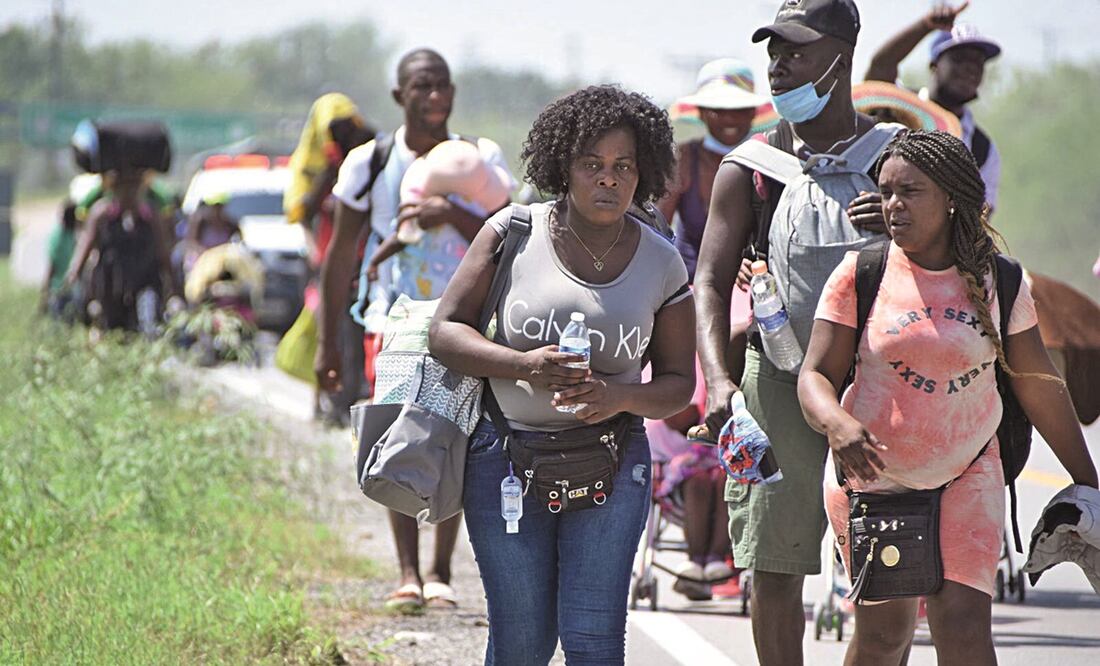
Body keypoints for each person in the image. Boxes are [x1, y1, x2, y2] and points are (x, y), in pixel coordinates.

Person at [798, 129, 1098, 665]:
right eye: (885, 191)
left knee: (963, 630)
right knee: (884, 637)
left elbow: (1039, 385)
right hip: (876, 478)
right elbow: (814, 375)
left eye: (909, 191)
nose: (892, 205)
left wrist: (1087, 480)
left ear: (952, 197)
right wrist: (836, 424)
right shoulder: (861, 273)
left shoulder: (999, 281)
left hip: (969, 472)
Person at [428, 84, 694, 665]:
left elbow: (678, 383)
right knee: (522, 642)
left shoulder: (662, 261)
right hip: (504, 458)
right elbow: (445, 332)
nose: (609, 179)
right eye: (592, 165)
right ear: (563, 168)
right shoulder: (511, 233)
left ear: (643, 172)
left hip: (612, 458)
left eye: (624, 166)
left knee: (593, 641)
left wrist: (616, 396)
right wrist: (525, 364)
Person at [694, 1, 894, 663]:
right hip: (775, 380)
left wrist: (901, 225)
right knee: (774, 567)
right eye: (773, 53)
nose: (779, 68)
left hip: (881, 389)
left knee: (888, 569)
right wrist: (720, 380)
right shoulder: (748, 166)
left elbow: (966, 260)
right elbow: (710, 283)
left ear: (842, 57)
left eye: (797, 52)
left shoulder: (898, 162)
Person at [316, 49, 513, 613]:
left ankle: (442, 569)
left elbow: (508, 233)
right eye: (422, 87)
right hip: (393, 318)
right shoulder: (370, 163)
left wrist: (450, 214)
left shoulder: (478, 160)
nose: (436, 97)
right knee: (395, 431)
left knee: (459, 435)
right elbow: (341, 254)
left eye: (443, 86)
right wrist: (329, 342)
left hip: (467, 323)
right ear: (400, 95)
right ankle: (407, 572)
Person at [285, 93, 375, 426]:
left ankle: (347, 404)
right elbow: (304, 211)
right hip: (328, 266)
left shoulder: (367, 168)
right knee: (328, 333)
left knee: (355, 338)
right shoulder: (327, 174)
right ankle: (326, 402)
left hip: (362, 267)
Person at [865, 1, 1003, 212]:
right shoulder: (898, 109)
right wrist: (925, 26)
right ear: (934, 65)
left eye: (978, 62)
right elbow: (879, 70)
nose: (970, 69)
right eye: (959, 59)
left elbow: (979, 219)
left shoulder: (981, 148)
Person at [659, 58, 767, 281]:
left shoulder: (769, 157)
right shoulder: (683, 159)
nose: (729, 118)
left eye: (738, 109)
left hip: (757, 288)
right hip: (690, 289)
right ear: (701, 113)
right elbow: (655, 228)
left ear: (753, 112)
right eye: (718, 109)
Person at [65, 167, 177, 332]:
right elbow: (85, 245)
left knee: (148, 326)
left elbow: (163, 250)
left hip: (145, 281)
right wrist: (73, 274)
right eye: (123, 186)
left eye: (133, 186)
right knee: (113, 329)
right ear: (113, 188)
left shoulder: (150, 215)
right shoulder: (101, 213)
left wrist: (174, 283)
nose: (129, 191)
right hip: (111, 285)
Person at [40, 199, 80, 320]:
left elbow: (51, 267)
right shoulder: (76, 235)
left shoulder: (59, 236)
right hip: (68, 289)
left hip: (61, 290)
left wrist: (44, 294)